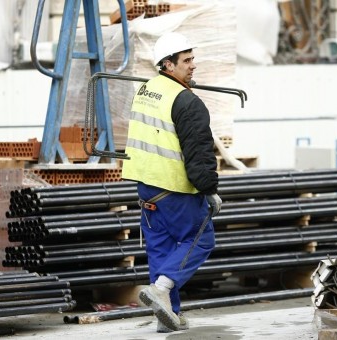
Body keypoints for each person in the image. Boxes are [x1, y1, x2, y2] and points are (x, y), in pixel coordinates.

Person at [121, 31, 222, 333]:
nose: (193, 65)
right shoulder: (187, 102)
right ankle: (162, 289)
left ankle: (168, 315)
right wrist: (209, 190)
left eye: (193, 59)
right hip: (175, 189)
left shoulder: (146, 90)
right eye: (187, 60)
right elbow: (199, 153)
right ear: (168, 64)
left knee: (162, 249)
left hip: (146, 188)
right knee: (200, 239)